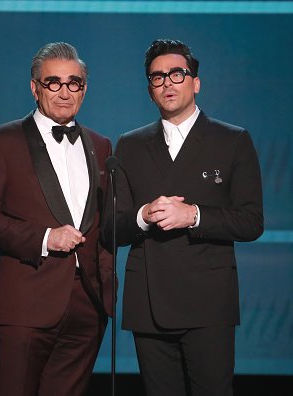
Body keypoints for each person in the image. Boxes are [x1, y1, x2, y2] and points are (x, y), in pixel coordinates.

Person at [103, 39, 263, 395]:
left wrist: (193, 215)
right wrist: (143, 216)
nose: (167, 83)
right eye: (157, 77)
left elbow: (251, 221)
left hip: (208, 302)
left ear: (196, 82)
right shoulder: (129, 144)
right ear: (149, 89)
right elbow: (111, 228)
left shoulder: (233, 140)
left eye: (177, 73)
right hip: (149, 301)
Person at [0, 42, 113, 396]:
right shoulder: (1, 141)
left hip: (88, 305)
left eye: (73, 83)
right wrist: (45, 238)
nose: (64, 92)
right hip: (26, 303)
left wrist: (107, 290)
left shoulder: (101, 145)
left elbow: (105, 221)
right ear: (35, 88)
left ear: (84, 89)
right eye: (53, 82)